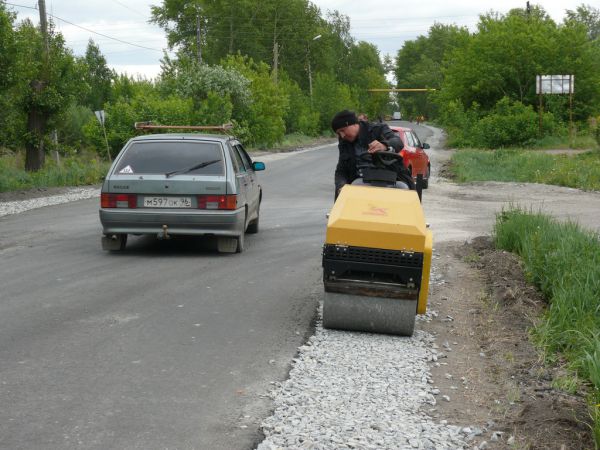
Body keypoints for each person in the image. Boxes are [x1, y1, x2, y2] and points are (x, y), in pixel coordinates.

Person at [331, 109, 413, 199]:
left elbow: (398, 142)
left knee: (406, 191)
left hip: (391, 180)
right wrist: (341, 186)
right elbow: (341, 170)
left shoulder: (378, 129)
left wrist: (385, 145)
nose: (342, 136)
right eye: (339, 133)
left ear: (352, 123)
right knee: (341, 193)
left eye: (342, 130)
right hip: (359, 184)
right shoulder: (344, 142)